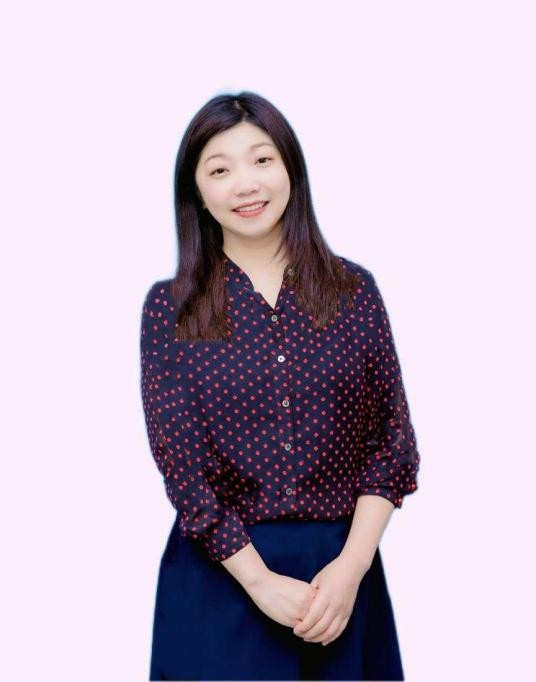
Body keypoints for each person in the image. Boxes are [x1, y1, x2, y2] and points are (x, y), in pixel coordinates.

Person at [140, 91, 421, 681]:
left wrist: (350, 569)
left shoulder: (353, 292)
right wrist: (260, 582)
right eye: (220, 170)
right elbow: (183, 469)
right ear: (197, 192)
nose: (245, 184)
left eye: (262, 160)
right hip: (221, 577)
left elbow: (392, 445)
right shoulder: (172, 309)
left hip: (340, 583)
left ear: (290, 167)